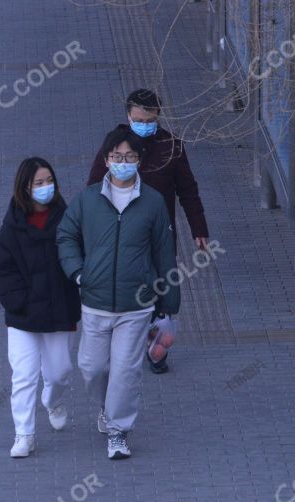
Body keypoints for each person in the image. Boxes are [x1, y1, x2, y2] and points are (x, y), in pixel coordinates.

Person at [58, 129, 180, 459]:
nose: (122, 163)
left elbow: (163, 252)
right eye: (116, 157)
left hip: (136, 304)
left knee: (126, 369)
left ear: (139, 160)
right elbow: (66, 235)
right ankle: (105, 409)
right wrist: (79, 272)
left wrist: (168, 302)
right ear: (106, 159)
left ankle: (118, 431)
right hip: (95, 302)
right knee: (93, 368)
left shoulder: (153, 202)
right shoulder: (88, 200)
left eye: (129, 157)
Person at [87, 88, 208, 374]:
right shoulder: (115, 147)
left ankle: (156, 346)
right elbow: (93, 188)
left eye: (149, 119)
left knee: (161, 289)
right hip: (122, 234)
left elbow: (188, 191)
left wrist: (199, 228)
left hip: (160, 235)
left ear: (158, 116)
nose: (144, 125)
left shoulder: (171, 146)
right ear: (128, 116)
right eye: (138, 119)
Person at [0, 157, 81, 458]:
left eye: (48, 181)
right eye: (38, 183)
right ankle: (24, 434)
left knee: (59, 373)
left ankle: (52, 400)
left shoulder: (67, 219)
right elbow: (3, 270)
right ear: (24, 188)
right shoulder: (12, 227)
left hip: (59, 312)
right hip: (23, 317)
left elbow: (77, 257)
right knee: (24, 375)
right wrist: (17, 303)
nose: (45, 187)